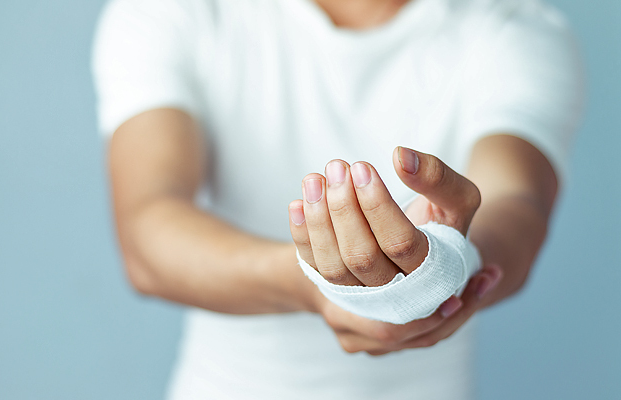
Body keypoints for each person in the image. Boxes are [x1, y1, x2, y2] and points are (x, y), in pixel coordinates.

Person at [92, 0, 583, 398]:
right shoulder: (173, 13)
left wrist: (451, 262)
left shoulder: (516, 30)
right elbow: (148, 235)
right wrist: (318, 283)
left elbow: (517, 201)